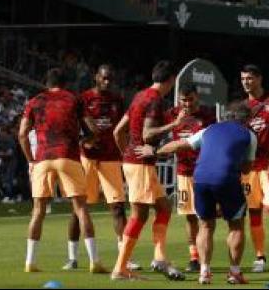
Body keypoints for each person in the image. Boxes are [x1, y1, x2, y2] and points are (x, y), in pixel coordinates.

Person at [151, 102, 256, 286]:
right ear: (247, 120)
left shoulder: (209, 129)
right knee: (236, 225)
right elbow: (247, 169)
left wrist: (153, 151)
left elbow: (180, 144)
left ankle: (204, 272)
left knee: (205, 225)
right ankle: (234, 273)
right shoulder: (249, 135)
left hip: (200, 178)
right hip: (227, 178)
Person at [17, 67, 105, 274]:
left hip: (42, 159)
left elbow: (22, 134)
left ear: (46, 83)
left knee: (38, 211)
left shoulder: (34, 101)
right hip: (67, 156)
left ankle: (30, 262)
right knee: (81, 209)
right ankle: (94, 262)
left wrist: (31, 160)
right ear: (65, 83)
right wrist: (84, 141)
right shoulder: (74, 99)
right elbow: (94, 130)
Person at [111, 60, 184, 280]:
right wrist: (174, 124)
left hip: (135, 162)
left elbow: (117, 131)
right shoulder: (154, 100)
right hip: (140, 164)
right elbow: (148, 134)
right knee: (139, 215)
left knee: (164, 207)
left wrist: (127, 154)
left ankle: (160, 258)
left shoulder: (139, 96)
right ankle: (120, 268)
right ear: (171, 80)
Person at [70, 64, 128, 270]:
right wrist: (81, 141)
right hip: (87, 158)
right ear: (96, 77)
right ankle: (73, 257)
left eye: (110, 79)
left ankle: (125, 257)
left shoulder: (118, 100)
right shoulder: (83, 99)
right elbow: (72, 124)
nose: (107, 82)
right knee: (79, 208)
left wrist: (125, 151)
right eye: (104, 78)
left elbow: (123, 128)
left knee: (118, 206)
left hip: (111, 157)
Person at [240, 64, 269, 273]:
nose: (246, 82)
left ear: (259, 79)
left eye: (250, 78)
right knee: (254, 212)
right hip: (249, 167)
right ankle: (260, 257)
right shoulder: (242, 107)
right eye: (243, 79)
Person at [170, 86, 217, 274]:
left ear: (197, 97)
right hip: (183, 173)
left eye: (190, 99)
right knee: (189, 216)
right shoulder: (172, 115)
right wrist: (175, 123)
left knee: (204, 217)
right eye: (184, 100)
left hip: (202, 172)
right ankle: (194, 258)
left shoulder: (208, 116)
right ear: (179, 100)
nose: (187, 104)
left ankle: (206, 258)